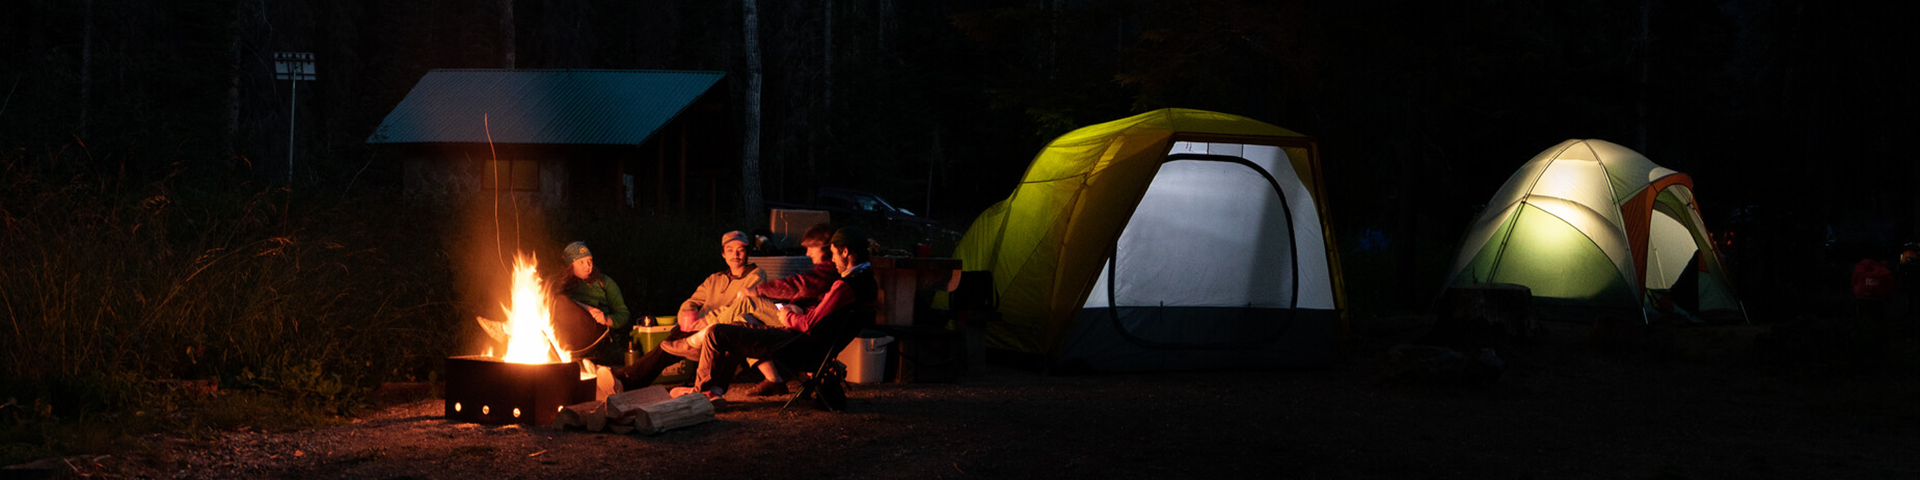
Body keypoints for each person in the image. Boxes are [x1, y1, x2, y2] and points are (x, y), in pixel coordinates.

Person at [675, 227, 878, 401]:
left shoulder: (844, 285)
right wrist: (797, 309)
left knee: (722, 329)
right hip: (813, 345)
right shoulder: (865, 282)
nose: (832, 258)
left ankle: (699, 377)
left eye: (833, 253)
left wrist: (787, 316)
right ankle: (715, 390)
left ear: (845, 252)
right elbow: (820, 316)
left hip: (800, 343)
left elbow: (809, 323)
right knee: (739, 324)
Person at [600, 231, 776, 397]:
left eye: (740, 250)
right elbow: (693, 300)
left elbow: (740, 306)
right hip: (701, 327)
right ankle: (626, 380)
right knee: (668, 344)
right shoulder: (715, 278)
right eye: (730, 250)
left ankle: (626, 378)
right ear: (723, 254)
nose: (735, 255)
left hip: (723, 328)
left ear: (747, 253)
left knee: (670, 347)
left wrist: (707, 320)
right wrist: (686, 314)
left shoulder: (756, 275)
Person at [550, 241, 630, 356]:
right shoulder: (559, 285)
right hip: (566, 339)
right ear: (570, 265)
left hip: (596, 334)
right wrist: (586, 308)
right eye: (581, 262)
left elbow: (623, 314)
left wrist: (606, 319)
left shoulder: (604, 282)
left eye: (590, 261)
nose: (588, 266)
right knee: (556, 300)